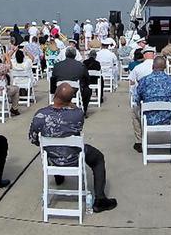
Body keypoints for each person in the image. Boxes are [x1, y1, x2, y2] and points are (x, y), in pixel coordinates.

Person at [29, 83, 118, 213]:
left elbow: (33, 139)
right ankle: (100, 199)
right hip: (73, 157)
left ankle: (58, 174)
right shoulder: (77, 114)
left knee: (54, 147)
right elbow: (77, 128)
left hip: (51, 157)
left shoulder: (40, 115)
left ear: (54, 95)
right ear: (71, 100)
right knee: (98, 158)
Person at [132, 56, 171, 158]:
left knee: (134, 111)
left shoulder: (144, 81)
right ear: (165, 67)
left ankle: (139, 141)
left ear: (153, 66)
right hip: (168, 118)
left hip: (148, 117)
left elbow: (137, 100)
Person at [51, 46, 92, 114]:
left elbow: (53, 78)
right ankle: (84, 110)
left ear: (65, 54)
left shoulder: (57, 65)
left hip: (59, 89)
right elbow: (87, 78)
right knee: (87, 90)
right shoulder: (80, 65)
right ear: (75, 55)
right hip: (74, 89)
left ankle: (55, 107)